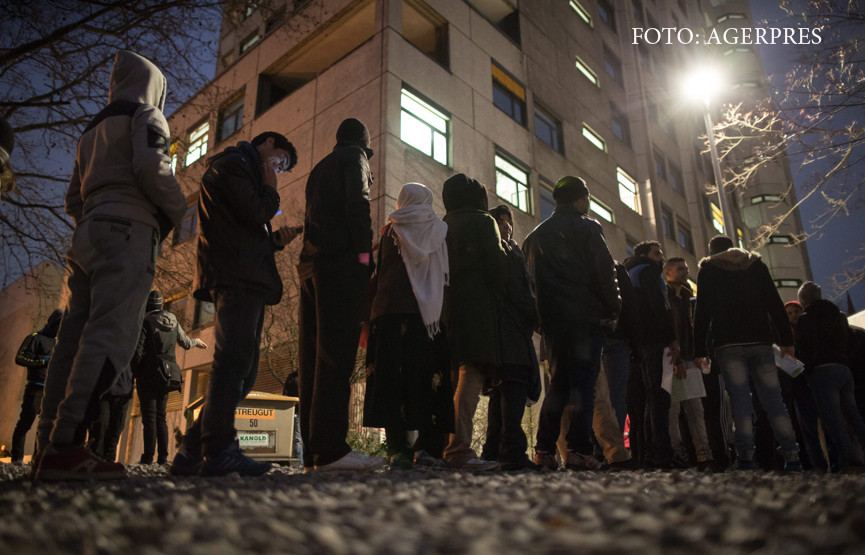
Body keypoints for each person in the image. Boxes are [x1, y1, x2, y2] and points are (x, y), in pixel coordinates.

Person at [34, 51, 188, 481]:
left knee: (71, 338)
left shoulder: (91, 130)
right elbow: (152, 166)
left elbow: (72, 198)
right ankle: (68, 444)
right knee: (111, 335)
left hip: (86, 234)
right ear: (154, 87)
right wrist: (178, 210)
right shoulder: (147, 116)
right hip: (129, 232)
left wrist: (93, 219)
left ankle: (47, 445)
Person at [171, 131, 299, 477]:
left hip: (243, 274)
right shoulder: (233, 164)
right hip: (234, 276)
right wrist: (271, 186)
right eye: (281, 160)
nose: (279, 169)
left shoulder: (241, 169)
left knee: (244, 370)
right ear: (268, 142)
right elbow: (256, 211)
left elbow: (243, 228)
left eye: (282, 167)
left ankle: (191, 451)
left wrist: (274, 241)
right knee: (232, 363)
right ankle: (218, 450)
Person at [297, 118, 384, 472]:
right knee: (336, 358)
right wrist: (365, 259)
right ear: (364, 146)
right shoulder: (355, 159)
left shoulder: (319, 168)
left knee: (311, 362)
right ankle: (332, 450)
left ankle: (313, 452)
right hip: (339, 267)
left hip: (310, 267)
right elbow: (358, 207)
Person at [522, 176, 620, 471]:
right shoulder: (588, 228)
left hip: (553, 322)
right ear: (581, 198)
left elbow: (529, 285)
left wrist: (540, 320)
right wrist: (613, 307)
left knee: (559, 384)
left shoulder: (534, 237)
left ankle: (544, 450)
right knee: (583, 386)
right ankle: (580, 450)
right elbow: (604, 272)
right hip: (584, 318)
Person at [363, 182, 454, 469]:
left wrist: (364, 255)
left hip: (389, 315)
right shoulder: (440, 230)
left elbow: (372, 267)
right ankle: (428, 448)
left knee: (394, 381)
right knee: (429, 380)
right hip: (429, 318)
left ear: (402, 201)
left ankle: (398, 450)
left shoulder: (390, 232)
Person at [693, 235, 802, 471]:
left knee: (740, 403)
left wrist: (700, 349)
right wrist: (786, 340)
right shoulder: (755, 266)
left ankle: (746, 457)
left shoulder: (709, 270)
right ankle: (792, 456)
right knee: (774, 401)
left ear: (712, 251)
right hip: (761, 340)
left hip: (729, 343)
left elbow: (702, 311)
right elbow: (774, 302)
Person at [439, 174, 506, 471]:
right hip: (477, 307)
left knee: (454, 375)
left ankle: (446, 446)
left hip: (446, 307)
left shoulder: (443, 223)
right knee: (473, 372)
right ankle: (459, 448)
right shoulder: (482, 220)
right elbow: (498, 266)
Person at [480, 204, 540, 471]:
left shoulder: (514, 251)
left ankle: (493, 451)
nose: (507, 226)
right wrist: (534, 316)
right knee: (511, 387)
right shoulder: (500, 251)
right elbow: (518, 293)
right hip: (508, 328)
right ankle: (512, 452)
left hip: (514, 328)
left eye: (509, 221)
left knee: (503, 391)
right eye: (501, 221)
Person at [797, 281, 865, 471]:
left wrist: (806, 370)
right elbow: (849, 341)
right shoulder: (838, 316)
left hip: (822, 372)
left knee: (833, 420)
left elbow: (808, 349)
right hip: (843, 369)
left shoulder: (806, 320)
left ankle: (851, 460)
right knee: (853, 416)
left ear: (803, 300)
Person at [134, 290, 207, 465]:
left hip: (148, 374)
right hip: (166, 375)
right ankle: (163, 457)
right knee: (161, 417)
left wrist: (133, 371)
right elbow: (186, 343)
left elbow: (137, 351)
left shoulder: (145, 322)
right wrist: (196, 342)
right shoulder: (173, 320)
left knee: (149, 417)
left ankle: (148, 457)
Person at [625, 241, 679, 469]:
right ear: (644, 254)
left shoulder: (631, 272)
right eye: (657, 253)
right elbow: (658, 306)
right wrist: (671, 338)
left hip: (639, 343)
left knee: (648, 400)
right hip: (655, 340)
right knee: (660, 398)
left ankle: (648, 454)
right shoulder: (648, 271)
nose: (661, 257)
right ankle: (662, 454)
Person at [663, 257, 714, 471]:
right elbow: (669, 328)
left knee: (695, 409)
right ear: (668, 273)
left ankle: (703, 455)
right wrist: (677, 357)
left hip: (685, 357)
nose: (685, 271)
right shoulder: (665, 296)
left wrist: (693, 354)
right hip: (671, 357)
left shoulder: (685, 296)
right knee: (673, 410)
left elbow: (688, 328)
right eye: (680, 269)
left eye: (685, 268)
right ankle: (678, 454)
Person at [10, 309, 64, 465]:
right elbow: (20, 358)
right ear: (55, 322)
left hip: (52, 391)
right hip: (36, 388)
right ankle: (17, 459)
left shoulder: (60, 343)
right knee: (25, 423)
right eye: (61, 323)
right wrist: (43, 360)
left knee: (45, 426)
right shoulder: (35, 337)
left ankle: (37, 460)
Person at [87, 364, 133, 462]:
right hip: (111, 386)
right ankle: (97, 459)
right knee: (102, 428)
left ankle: (105, 459)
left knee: (112, 428)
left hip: (117, 385)